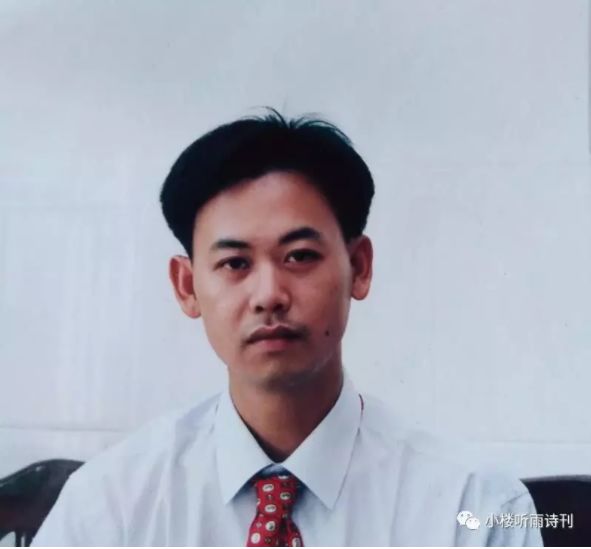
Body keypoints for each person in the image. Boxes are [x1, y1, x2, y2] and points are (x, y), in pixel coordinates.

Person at [32, 110, 543, 546]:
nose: (269, 294)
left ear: (359, 267)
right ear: (187, 286)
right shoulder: (109, 508)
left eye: (299, 256)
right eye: (235, 264)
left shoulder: (475, 507)